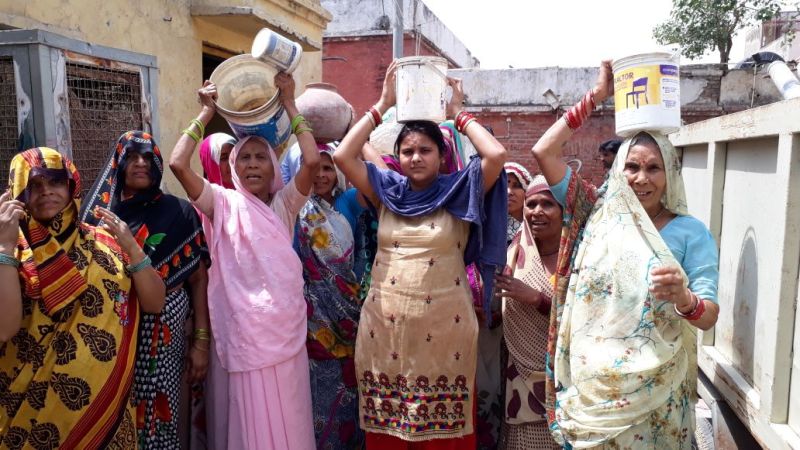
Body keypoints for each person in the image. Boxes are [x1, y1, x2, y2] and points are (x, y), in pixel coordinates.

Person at [532, 61, 720, 449]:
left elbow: (709, 317)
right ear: (618, 171)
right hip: (594, 392)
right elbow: (543, 150)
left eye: (655, 168)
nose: (642, 178)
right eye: (632, 167)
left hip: (657, 394)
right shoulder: (592, 212)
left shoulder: (690, 232)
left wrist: (684, 298)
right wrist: (597, 96)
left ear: (670, 174)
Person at [334, 60, 508, 448]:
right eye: (408, 150)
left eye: (425, 150)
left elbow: (494, 156)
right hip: (386, 332)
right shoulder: (388, 192)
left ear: (442, 155)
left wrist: (458, 113)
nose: (416, 157)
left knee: (444, 435)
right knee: (388, 431)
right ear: (398, 155)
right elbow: (343, 157)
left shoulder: (460, 192)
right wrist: (382, 104)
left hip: (446, 333)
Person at [169, 71, 320, 449]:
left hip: (284, 336)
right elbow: (177, 165)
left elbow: (313, 161)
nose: (252, 165)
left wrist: (289, 103)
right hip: (242, 337)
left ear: (273, 168)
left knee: (289, 417)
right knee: (247, 423)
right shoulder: (221, 204)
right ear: (233, 166)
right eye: (244, 158)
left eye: (260, 158)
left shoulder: (284, 206)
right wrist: (205, 114)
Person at [0, 147, 165, 448]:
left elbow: (155, 303)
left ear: (72, 185)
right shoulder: (11, 249)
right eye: (34, 185)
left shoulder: (106, 242)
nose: (46, 192)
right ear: (17, 192)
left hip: (106, 416)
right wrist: (5, 247)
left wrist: (132, 246)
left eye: (55, 182)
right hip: (28, 418)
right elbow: (4, 328)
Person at [80, 131, 211, 449]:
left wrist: (202, 343)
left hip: (163, 331)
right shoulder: (97, 216)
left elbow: (198, 280)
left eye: (148, 157)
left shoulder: (178, 212)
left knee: (161, 417)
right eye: (132, 157)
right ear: (119, 164)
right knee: (111, 413)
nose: (140, 163)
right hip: (111, 333)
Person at [292, 144, 366, 449]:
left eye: (328, 168)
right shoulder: (294, 208)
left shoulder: (350, 201)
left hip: (351, 313)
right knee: (316, 401)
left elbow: (358, 257)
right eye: (315, 167)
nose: (321, 175)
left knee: (352, 397)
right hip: (312, 321)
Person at [496, 176, 561, 449]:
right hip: (520, 381)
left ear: (564, 209)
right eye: (531, 203)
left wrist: (537, 299)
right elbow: (503, 316)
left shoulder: (579, 258)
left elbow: (588, 320)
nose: (536, 211)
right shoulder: (514, 252)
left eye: (547, 203)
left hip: (565, 382)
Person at [474, 161, 533, 450]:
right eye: (502, 185)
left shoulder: (535, 229)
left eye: (515, 185)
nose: (508, 191)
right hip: (485, 317)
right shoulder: (481, 225)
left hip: (523, 318)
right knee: (486, 382)